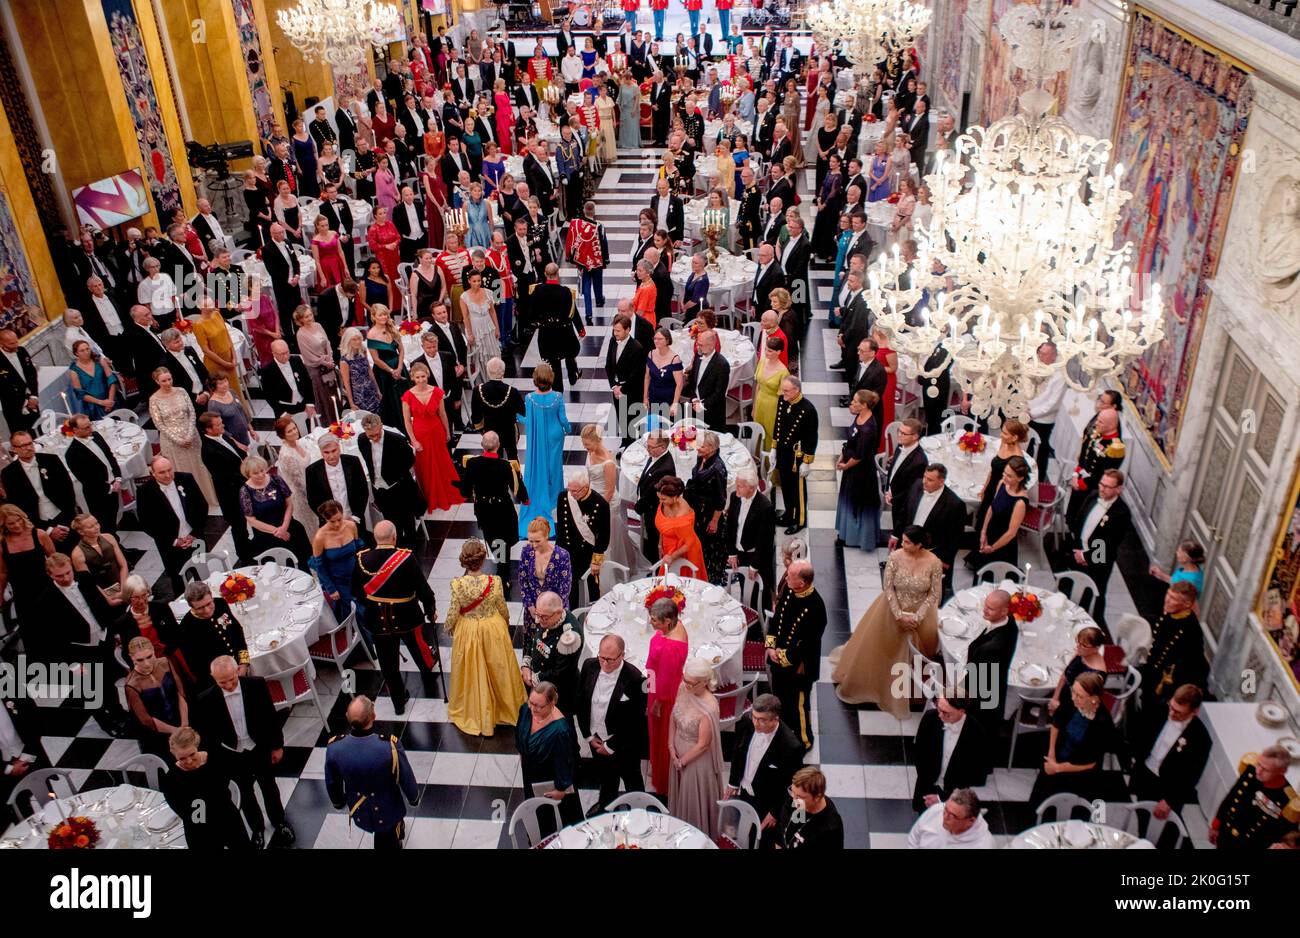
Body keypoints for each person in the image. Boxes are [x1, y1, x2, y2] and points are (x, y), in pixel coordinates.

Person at [831, 525, 942, 716]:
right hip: (891, 609)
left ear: (919, 545)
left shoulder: (934, 562)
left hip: (921, 615)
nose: (902, 544)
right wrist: (899, 614)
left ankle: (910, 689)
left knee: (920, 652)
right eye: (903, 540)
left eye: (907, 542)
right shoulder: (895, 557)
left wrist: (918, 616)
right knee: (883, 648)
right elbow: (888, 587)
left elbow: (934, 594)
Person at [192, 655, 294, 848]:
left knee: (269, 786)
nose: (229, 685)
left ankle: (279, 821)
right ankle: (256, 828)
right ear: (213, 678)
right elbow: (207, 733)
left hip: (259, 747)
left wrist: (277, 745)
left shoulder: (256, 685)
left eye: (232, 679)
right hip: (231, 754)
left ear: (237, 671)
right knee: (245, 793)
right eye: (223, 682)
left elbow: (270, 717)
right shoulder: (205, 699)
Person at [351, 521, 440, 714]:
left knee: (388, 664)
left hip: (377, 620)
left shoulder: (361, 560)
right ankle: (427, 672)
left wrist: (372, 605)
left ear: (375, 538)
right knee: (418, 647)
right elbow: (423, 589)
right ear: (394, 537)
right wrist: (430, 608)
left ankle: (398, 703)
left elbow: (356, 592)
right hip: (407, 615)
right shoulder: (406, 558)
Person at [446, 539, 527, 736]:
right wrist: (505, 621)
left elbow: (453, 612)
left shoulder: (457, 584)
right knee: (498, 667)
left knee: (473, 670)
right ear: (482, 560)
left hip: (469, 629)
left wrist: (449, 628)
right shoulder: (495, 582)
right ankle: (503, 705)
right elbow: (502, 607)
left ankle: (477, 708)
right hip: (492, 627)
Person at [325, 695, 420, 849]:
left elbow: (332, 781)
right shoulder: (388, 746)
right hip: (388, 808)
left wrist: (338, 802)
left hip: (359, 808)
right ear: (373, 716)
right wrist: (413, 797)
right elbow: (405, 775)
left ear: (347, 718)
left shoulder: (334, 748)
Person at [577, 634, 648, 814]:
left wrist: (611, 746)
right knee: (607, 779)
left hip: (623, 745)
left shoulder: (635, 679)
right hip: (596, 739)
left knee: (633, 781)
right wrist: (589, 736)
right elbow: (581, 702)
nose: (605, 664)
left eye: (611, 660)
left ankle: (639, 814)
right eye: (602, 658)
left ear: (622, 655)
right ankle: (606, 811)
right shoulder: (589, 666)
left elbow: (637, 722)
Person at [1057, 468, 1134, 630]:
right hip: (1078, 551)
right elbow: (1079, 521)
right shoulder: (1093, 495)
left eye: (1107, 486)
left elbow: (1110, 543)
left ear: (1118, 489)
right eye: (1101, 484)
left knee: (1094, 593)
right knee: (1071, 585)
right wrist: (1077, 551)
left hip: (1098, 560)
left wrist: (1086, 557)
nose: (1102, 488)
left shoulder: (1122, 513)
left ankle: (1090, 626)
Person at [1128, 683, 1211, 831]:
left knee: (1162, 828)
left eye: (1178, 712)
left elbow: (1191, 777)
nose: (1171, 714)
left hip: (1169, 787)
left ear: (1195, 712)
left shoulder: (1201, 739)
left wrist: (1170, 801)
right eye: (1171, 706)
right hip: (1146, 774)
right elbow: (1139, 733)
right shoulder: (1159, 709)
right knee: (1142, 816)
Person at [764, 560, 827, 751]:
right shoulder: (790, 590)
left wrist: (781, 656)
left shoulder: (816, 607)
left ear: (802, 582)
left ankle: (804, 740)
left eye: (790, 575)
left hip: (798, 666)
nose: (786, 577)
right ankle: (783, 731)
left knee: (798, 705)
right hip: (779, 659)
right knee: (780, 698)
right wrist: (770, 646)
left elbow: (807, 645)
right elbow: (776, 620)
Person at [1029, 671, 1118, 804]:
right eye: (1073, 692)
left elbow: (1090, 763)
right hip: (1059, 755)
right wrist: (1051, 753)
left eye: (1080, 696)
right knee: (1039, 802)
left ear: (1093, 698)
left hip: (1081, 772)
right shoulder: (1073, 702)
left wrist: (1057, 768)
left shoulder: (1102, 723)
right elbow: (1056, 723)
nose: (1073, 698)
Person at [162, 727, 250, 849]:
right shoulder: (171, 780)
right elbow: (186, 812)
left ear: (197, 746)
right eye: (181, 758)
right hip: (200, 829)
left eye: (192, 754)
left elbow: (244, 765)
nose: (188, 761)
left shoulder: (216, 759)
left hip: (228, 819)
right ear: (174, 755)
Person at [891, 463, 967, 599]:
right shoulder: (916, 485)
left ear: (941, 481)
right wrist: (896, 535)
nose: (924, 482)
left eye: (930, 480)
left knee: (925, 593)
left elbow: (955, 537)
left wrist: (944, 560)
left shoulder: (955, 504)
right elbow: (904, 512)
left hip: (932, 552)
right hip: (908, 546)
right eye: (924, 477)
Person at [517, 682, 584, 833]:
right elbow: (519, 733)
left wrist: (561, 788)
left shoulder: (561, 730)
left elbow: (565, 761)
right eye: (531, 702)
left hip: (550, 781)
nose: (533, 709)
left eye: (539, 706)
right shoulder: (525, 710)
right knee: (536, 813)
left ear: (552, 703)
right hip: (530, 773)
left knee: (555, 820)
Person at [668, 657, 724, 837]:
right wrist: (670, 744)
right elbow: (673, 715)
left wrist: (681, 762)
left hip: (696, 762)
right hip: (677, 754)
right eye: (686, 680)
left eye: (692, 683)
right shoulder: (684, 687)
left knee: (692, 802)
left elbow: (703, 744)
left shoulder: (710, 706)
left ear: (706, 682)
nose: (687, 686)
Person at [137, 455, 210, 587]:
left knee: (202, 575)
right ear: (152, 473)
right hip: (170, 545)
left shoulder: (186, 479)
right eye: (161, 472)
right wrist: (173, 540)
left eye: (169, 470)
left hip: (195, 538)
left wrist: (194, 534)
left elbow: (202, 506)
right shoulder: (145, 491)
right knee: (178, 580)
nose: (167, 475)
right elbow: (146, 522)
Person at [149, 368, 219, 506]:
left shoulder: (181, 391)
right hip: (172, 441)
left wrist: (190, 433)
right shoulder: (154, 399)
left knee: (200, 466)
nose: (168, 383)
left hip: (191, 435)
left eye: (169, 379)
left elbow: (192, 413)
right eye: (164, 381)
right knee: (181, 470)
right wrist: (179, 440)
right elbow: (159, 424)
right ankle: (191, 502)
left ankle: (207, 496)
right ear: (157, 381)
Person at [911, 694, 992, 812]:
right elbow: (919, 753)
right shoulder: (930, 718)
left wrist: (942, 798)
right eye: (939, 708)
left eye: (946, 712)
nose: (940, 715)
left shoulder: (976, 732)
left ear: (961, 711)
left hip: (954, 794)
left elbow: (975, 773)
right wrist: (926, 782)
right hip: (926, 786)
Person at [517, 363, 571, 537]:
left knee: (540, 465)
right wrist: (568, 429)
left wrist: (516, 416)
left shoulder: (530, 398)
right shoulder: (558, 396)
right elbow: (562, 419)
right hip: (555, 436)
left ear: (535, 379)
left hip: (538, 438)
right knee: (554, 467)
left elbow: (527, 420)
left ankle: (542, 494)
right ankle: (554, 496)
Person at [401, 362, 464, 512]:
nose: (421, 380)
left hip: (436, 431)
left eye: (423, 376)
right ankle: (429, 497)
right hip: (420, 434)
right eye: (417, 377)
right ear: (413, 377)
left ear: (427, 375)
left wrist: (448, 432)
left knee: (441, 462)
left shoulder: (437, 392)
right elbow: (406, 422)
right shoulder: (408, 396)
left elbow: (442, 414)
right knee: (425, 466)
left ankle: (445, 492)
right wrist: (414, 441)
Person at [1210, 746, 1300, 849]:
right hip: (1226, 833)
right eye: (1259, 764)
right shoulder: (1251, 771)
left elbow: (1287, 837)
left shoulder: (1288, 801)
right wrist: (1216, 825)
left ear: (1281, 771)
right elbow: (1232, 797)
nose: (1258, 771)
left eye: (1265, 769)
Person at [644, 595, 690, 795]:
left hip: (663, 697)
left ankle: (663, 778)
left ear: (668, 621)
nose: (651, 622)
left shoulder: (671, 648)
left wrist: (656, 703)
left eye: (654, 620)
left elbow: (665, 681)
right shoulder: (675, 627)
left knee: (662, 736)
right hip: (659, 688)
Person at [357, 413, 422, 547]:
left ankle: (410, 553)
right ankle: (395, 551)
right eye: (371, 436)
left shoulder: (397, 440)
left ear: (381, 426)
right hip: (380, 490)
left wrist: (393, 474)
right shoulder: (362, 440)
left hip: (400, 487)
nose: (374, 438)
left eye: (377, 434)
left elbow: (410, 460)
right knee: (390, 523)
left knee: (407, 524)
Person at [1140, 581, 1209, 709]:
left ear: (1187, 604)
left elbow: (1189, 664)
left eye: (1173, 599)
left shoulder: (1191, 630)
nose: (1167, 600)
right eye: (1168, 595)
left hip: (1170, 681)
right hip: (1153, 670)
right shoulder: (1169, 613)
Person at [239, 455, 312, 565]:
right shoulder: (245, 491)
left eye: (262, 470)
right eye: (255, 473)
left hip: (289, 527)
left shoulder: (276, 479)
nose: (261, 475)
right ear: (248, 474)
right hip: (266, 536)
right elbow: (252, 521)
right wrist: (277, 532)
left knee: (302, 563)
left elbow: (289, 504)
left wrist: (284, 527)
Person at [123, 636, 187, 757]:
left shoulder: (166, 663)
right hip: (157, 733)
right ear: (132, 658)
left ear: (153, 650)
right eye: (140, 660)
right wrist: (176, 731)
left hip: (180, 719)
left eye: (149, 657)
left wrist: (184, 724)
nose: (147, 664)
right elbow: (146, 720)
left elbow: (180, 693)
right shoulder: (132, 685)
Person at [963, 589, 1016, 733]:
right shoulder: (1010, 622)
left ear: (1004, 611)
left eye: (990, 609)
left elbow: (975, 678)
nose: (984, 610)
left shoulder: (992, 648)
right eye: (985, 605)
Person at [835, 389, 882, 550]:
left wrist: (845, 465)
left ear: (864, 406)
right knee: (849, 499)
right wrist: (842, 455)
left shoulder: (868, 429)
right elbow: (851, 441)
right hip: (851, 467)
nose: (852, 403)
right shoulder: (859, 417)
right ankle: (845, 532)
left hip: (861, 472)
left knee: (857, 502)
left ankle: (857, 537)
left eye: (855, 401)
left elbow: (860, 455)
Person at [64, 415, 124, 537]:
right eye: (86, 428)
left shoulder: (96, 436)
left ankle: (116, 544)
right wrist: (110, 488)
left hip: (114, 485)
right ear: (75, 430)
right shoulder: (72, 453)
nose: (90, 429)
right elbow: (87, 480)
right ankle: (111, 549)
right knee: (104, 524)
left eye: (90, 425)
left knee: (114, 518)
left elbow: (110, 457)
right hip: (98, 495)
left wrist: (117, 478)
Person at [773, 376, 819, 534]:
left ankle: (799, 520)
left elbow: (812, 438)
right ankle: (788, 514)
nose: (783, 393)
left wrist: (807, 461)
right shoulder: (783, 400)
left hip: (796, 457)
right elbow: (777, 425)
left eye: (786, 391)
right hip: (783, 453)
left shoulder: (808, 410)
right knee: (785, 486)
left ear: (796, 390)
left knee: (797, 490)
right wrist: (774, 448)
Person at [273, 413, 323, 540]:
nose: (295, 432)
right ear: (283, 435)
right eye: (290, 431)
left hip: (309, 482)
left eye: (294, 428)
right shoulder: (287, 456)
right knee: (312, 526)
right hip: (302, 495)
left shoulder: (297, 442)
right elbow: (299, 483)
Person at [977, 456, 1031, 568]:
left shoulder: (1020, 502)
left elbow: (1011, 533)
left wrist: (992, 548)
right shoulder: (1002, 483)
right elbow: (992, 507)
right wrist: (983, 531)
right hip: (990, 533)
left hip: (1003, 543)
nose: (1005, 477)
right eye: (1004, 473)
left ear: (1020, 478)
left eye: (1009, 476)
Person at [774, 766, 845, 850]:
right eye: (792, 792)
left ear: (817, 797)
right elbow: (781, 829)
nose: (794, 801)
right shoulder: (794, 797)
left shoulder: (831, 828)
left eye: (799, 797)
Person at [1047, 626, 1108, 723]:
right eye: (1078, 643)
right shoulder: (1081, 653)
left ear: (1096, 648)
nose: (1078, 647)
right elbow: (1065, 675)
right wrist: (1055, 698)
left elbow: (1084, 705)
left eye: (1083, 645)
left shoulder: (1097, 674)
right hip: (1065, 696)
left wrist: (1060, 710)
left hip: (1077, 709)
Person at [654, 474, 707, 580]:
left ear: (675, 497)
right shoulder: (667, 501)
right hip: (668, 547)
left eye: (663, 499)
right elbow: (663, 526)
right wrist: (660, 544)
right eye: (659, 498)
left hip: (683, 552)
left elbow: (689, 544)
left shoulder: (682, 517)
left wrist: (672, 557)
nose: (660, 502)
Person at [68, 513, 128, 605]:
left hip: (122, 584)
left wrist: (123, 590)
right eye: (91, 526)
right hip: (102, 593)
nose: (96, 527)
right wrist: (108, 600)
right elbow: (89, 582)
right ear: (81, 532)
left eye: (97, 523)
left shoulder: (109, 538)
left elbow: (123, 565)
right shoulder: (77, 554)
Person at [293, 306, 339, 425]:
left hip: (328, 364)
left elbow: (327, 342)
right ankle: (329, 424)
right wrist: (324, 362)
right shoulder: (301, 334)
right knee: (325, 398)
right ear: (300, 319)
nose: (310, 318)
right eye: (306, 316)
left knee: (334, 395)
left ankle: (339, 419)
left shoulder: (318, 325)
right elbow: (308, 356)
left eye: (310, 315)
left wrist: (330, 356)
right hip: (316, 369)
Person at [906, 789, 995, 849]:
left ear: (970, 821)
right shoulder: (937, 810)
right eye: (946, 809)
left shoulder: (984, 845)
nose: (944, 816)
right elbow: (914, 837)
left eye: (952, 815)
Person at [366, 305, 408, 428]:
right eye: (380, 315)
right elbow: (376, 359)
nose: (384, 317)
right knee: (392, 403)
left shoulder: (392, 328)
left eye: (385, 314)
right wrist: (391, 371)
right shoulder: (371, 334)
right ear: (373, 317)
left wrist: (399, 368)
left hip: (399, 367)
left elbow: (401, 349)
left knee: (404, 398)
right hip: (384, 373)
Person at [684, 329, 731, 433]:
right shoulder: (698, 355)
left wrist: (703, 405)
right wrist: (694, 399)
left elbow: (719, 392)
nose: (698, 347)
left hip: (712, 411)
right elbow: (693, 381)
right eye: (697, 344)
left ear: (711, 345)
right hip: (694, 407)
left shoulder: (722, 364)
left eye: (701, 345)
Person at [752, 336, 789, 453]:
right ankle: (758, 460)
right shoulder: (762, 362)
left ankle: (769, 466)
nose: (766, 353)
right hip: (760, 401)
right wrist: (754, 406)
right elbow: (758, 385)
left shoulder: (783, 372)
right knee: (757, 431)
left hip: (773, 406)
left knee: (769, 434)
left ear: (778, 352)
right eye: (766, 349)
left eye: (770, 351)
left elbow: (784, 398)